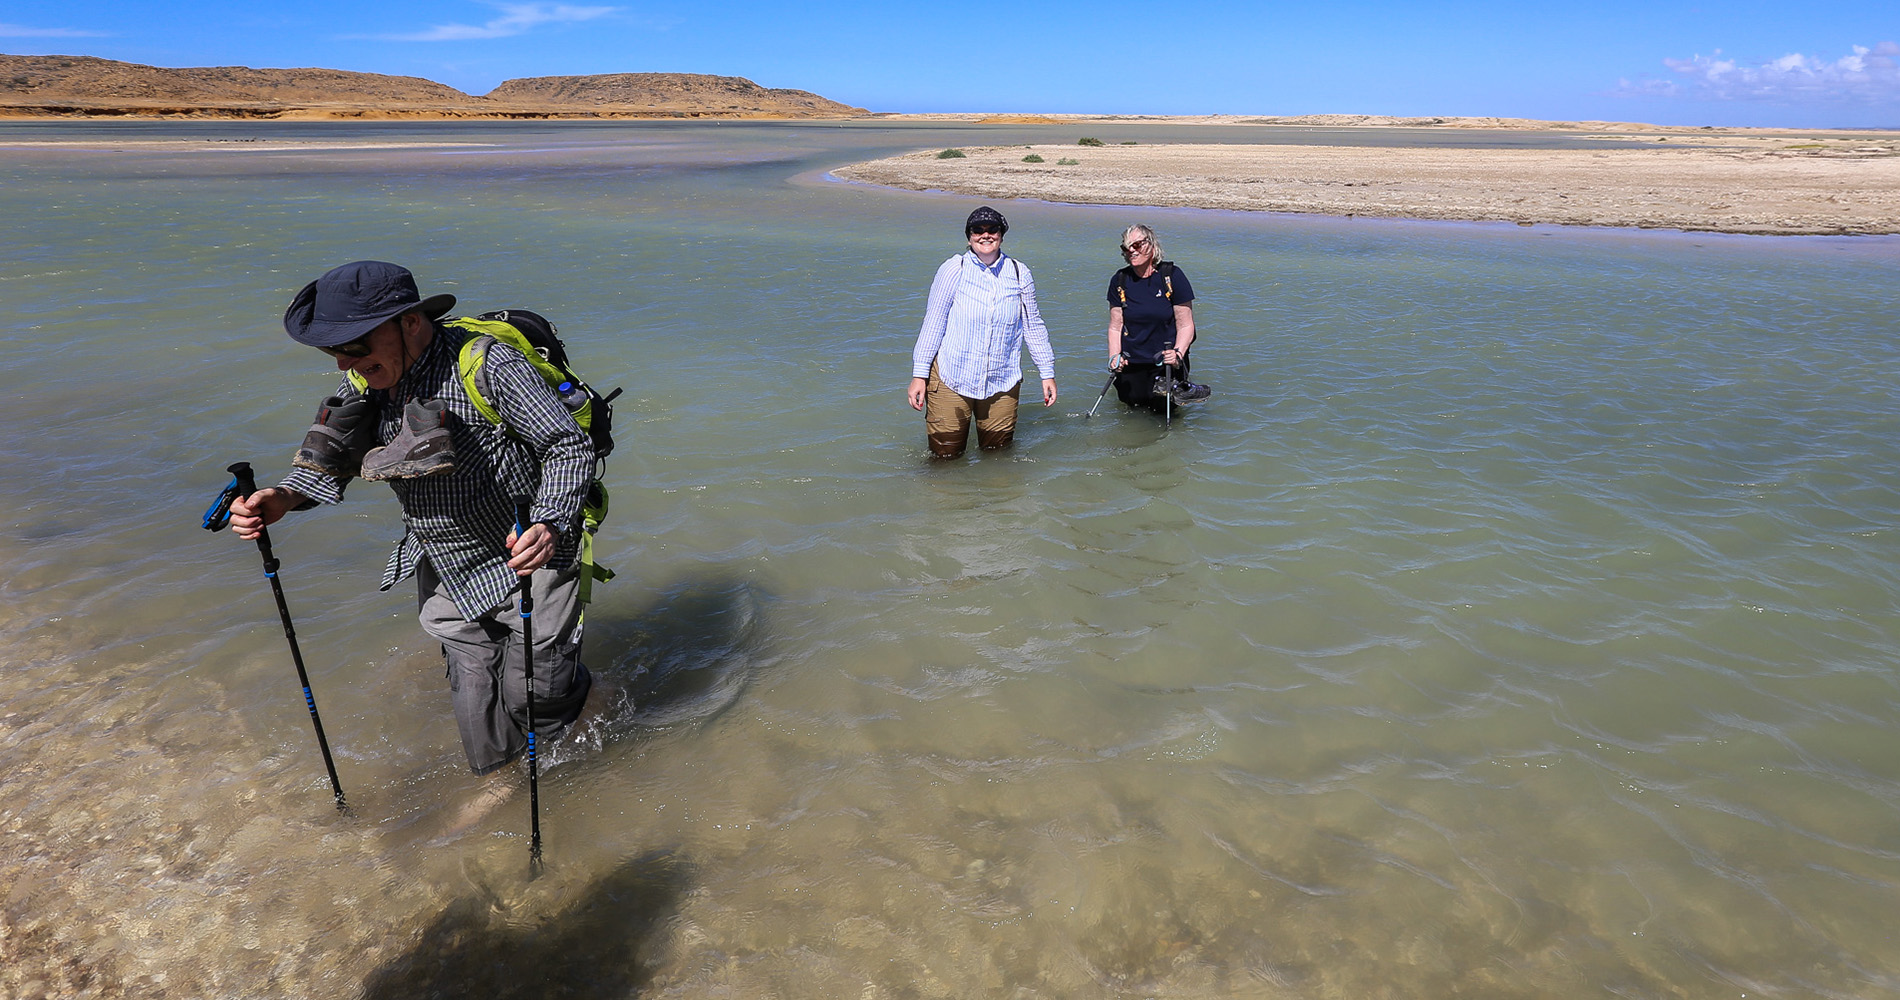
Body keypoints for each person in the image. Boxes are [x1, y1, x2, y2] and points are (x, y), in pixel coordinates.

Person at [226, 260, 598, 803]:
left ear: (412, 323)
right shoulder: (364, 378)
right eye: (335, 349)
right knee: (475, 704)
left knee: (534, 696)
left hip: (531, 552)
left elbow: (567, 445)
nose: (343, 359)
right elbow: (328, 460)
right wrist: (279, 499)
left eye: (355, 344)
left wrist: (549, 519)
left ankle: (585, 714)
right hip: (447, 566)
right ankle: (499, 790)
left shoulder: (490, 366)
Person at [908, 206, 1057, 458]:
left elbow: (1033, 325)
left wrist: (1047, 372)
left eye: (992, 229)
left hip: (1002, 380)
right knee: (945, 457)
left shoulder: (1020, 273)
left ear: (1002, 235)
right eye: (978, 230)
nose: (985, 235)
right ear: (969, 236)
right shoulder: (953, 269)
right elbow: (933, 322)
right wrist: (919, 375)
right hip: (951, 376)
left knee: (997, 456)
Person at [1106, 224, 1209, 411]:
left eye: (1136, 245)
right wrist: (1114, 357)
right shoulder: (1119, 280)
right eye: (1126, 247)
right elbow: (1115, 326)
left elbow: (1186, 325)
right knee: (1133, 416)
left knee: (1164, 415)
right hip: (1132, 364)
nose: (1131, 251)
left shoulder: (1172, 276)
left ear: (1151, 245)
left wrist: (1178, 353)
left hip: (1166, 365)